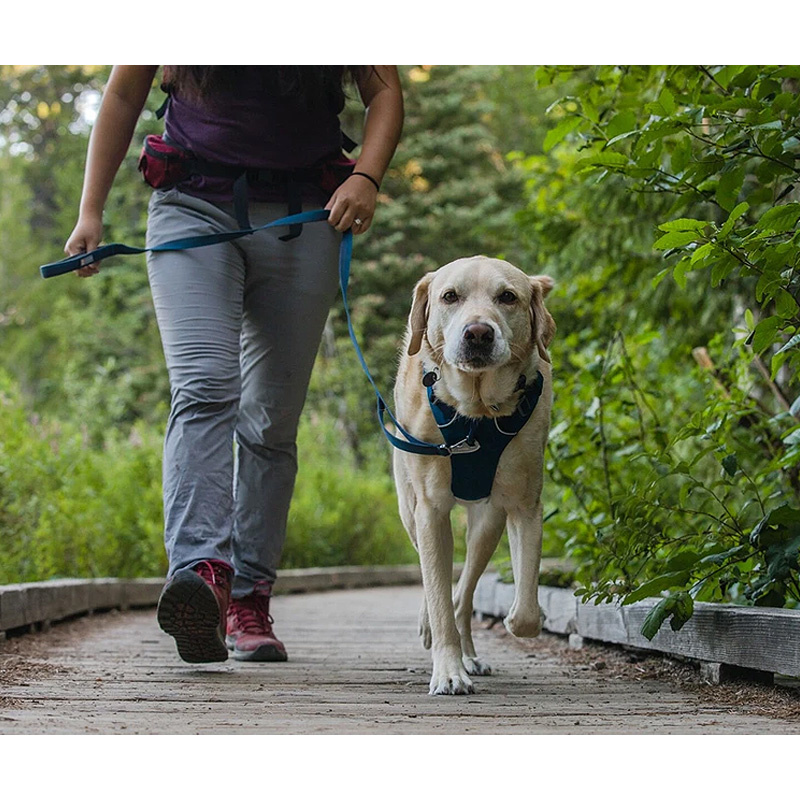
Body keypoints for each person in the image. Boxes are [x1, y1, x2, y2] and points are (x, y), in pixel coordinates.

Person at [65, 65, 404, 664]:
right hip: (191, 206)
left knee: (272, 418)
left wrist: (368, 177)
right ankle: (202, 574)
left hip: (305, 217)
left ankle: (250, 596)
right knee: (203, 386)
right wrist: (90, 210)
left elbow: (384, 93)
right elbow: (121, 92)